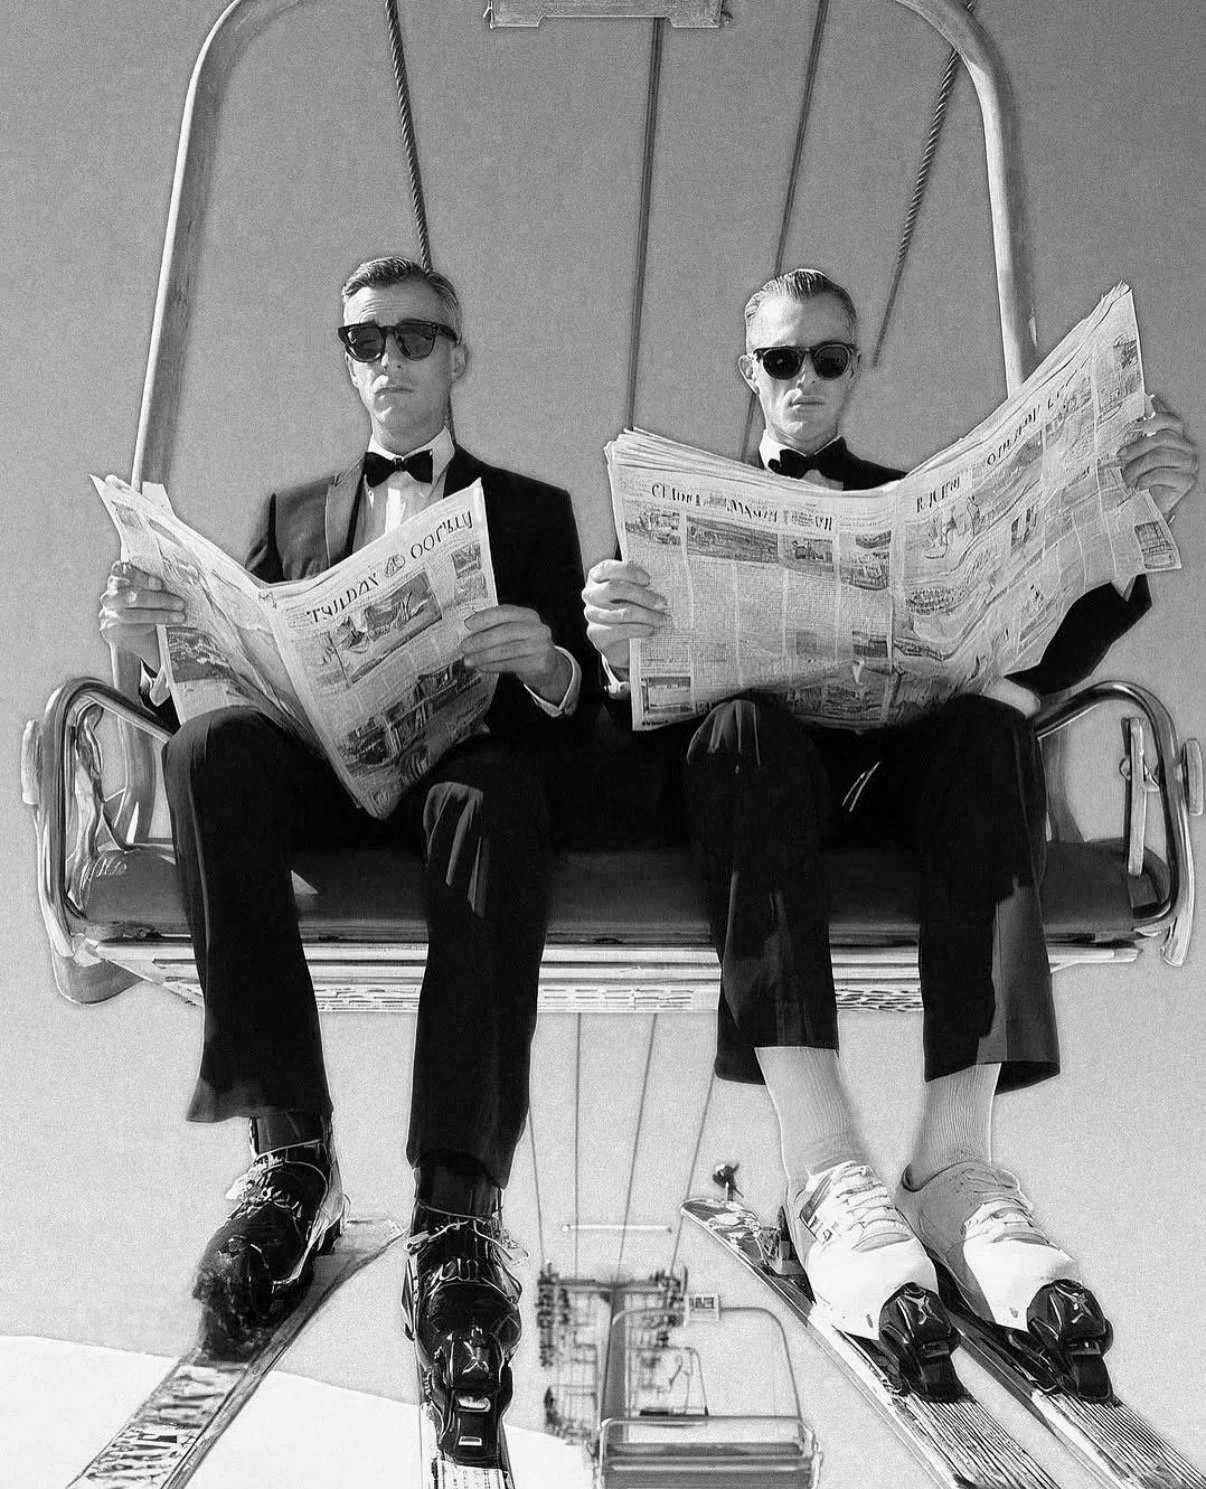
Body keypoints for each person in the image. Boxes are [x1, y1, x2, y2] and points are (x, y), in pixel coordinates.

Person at [582, 268, 1197, 1374]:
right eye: (781, 360)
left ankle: (953, 1166)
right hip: (764, 800)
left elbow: (1046, 619)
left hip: (899, 785)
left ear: (855, 369)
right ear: (749, 373)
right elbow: (628, 718)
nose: (804, 378)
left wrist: (1137, 509)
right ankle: (823, 1162)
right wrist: (614, 641)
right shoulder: (682, 529)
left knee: (993, 736)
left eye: (829, 357)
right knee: (740, 736)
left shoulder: (911, 505)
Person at [98, 256, 593, 1460]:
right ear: (347, 358)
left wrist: (544, 663)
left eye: (415, 338)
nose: (390, 362)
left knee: (499, 799)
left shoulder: (529, 513)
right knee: (212, 753)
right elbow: (240, 670)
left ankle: (457, 1205)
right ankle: (291, 1151)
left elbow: (587, 696)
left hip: (456, 772)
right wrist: (160, 652)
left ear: (458, 356)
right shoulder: (290, 516)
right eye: (365, 341)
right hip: (326, 772)